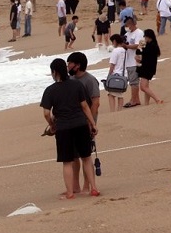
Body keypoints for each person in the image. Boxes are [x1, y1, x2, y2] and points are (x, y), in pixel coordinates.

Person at [40, 58, 99, 200]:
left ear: (54, 72)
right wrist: (92, 124)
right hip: (80, 124)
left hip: (63, 128)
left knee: (67, 161)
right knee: (86, 157)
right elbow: (85, 106)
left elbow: (46, 113)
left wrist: (52, 125)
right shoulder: (76, 85)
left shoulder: (50, 90)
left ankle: (70, 193)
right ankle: (94, 188)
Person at [66, 52, 101, 195]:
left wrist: (90, 122)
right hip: (73, 122)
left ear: (78, 65)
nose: (68, 66)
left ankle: (87, 185)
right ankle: (75, 186)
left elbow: (96, 103)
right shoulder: (70, 79)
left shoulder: (90, 80)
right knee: (74, 156)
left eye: (70, 63)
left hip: (87, 123)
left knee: (85, 154)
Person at [136, 29, 164, 105]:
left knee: (143, 87)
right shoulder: (149, 45)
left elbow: (148, 58)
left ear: (149, 37)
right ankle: (146, 103)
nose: (144, 38)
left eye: (145, 36)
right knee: (146, 86)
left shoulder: (152, 46)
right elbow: (139, 53)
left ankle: (157, 99)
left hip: (147, 68)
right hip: (147, 67)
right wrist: (140, 47)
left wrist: (140, 60)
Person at [122, 17, 143, 108]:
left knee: (134, 82)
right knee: (132, 82)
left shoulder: (139, 33)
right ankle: (135, 99)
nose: (126, 27)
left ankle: (133, 100)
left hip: (135, 61)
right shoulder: (127, 34)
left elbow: (138, 45)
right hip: (128, 61)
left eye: (127, 25)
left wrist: (126, 46)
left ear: (132, 24)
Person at [107, 34, 127, 112]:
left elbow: (112, 64)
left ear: (115, 41)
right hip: (124, 75)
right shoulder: (124, 50)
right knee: (120, 94)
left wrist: (109, 75)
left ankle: (113, 112)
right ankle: (119, 110)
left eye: (112, 42)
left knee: (111, 94)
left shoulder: (115, 51)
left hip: (116, 75)